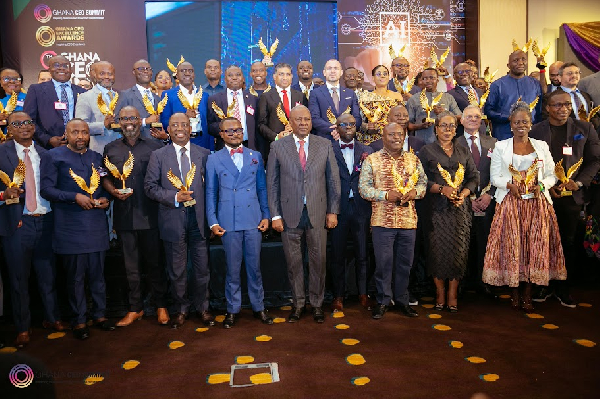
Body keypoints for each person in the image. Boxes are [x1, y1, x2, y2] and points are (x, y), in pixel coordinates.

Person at [483, 102, 566, 311]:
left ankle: (528, 293)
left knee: (533, 247)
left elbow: (551, 175)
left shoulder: (541, 146)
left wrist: (542, 185)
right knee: (513, 246)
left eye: (525, 121)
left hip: (537, 204)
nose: (521, 125)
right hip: (511, 203)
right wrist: (509, 185)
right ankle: (514, 292)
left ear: (531, 124)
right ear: (510, 125)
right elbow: (495, 178)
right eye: (516, 122)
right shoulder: (501, 146)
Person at [40, 118, 114, 340]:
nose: (80, 136)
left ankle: (100, 315)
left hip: (96, 224)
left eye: (84, 132)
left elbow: (105, 183)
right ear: (66, 134)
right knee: (76, 278)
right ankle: (79, 320)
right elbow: (46, 190)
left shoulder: (96, 158)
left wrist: (106, 198)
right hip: (70, 225)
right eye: (75, 132)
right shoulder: (53, 156)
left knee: (98, 275)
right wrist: (74, 197)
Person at [266, 105, 340, 323]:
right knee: (294, 263)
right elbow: (272, 184)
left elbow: (333, 182)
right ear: (290, 121)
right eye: (299, 120)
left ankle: (317, 304)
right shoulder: (278, 147)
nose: (304, 123)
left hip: (318, 213)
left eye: (307, 119)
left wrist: (333, 211)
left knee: (319, 262)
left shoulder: (324, 145)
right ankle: (298, 304)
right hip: (289, 215)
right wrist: (275, 215)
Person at [0, 111, 67, 347]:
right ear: (9, 129)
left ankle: (52, 317)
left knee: (48, 275)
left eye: (28, 122)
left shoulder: (46, 154)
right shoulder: (2, 153)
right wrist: (3, 195)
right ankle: (22, 327)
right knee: (19, 279)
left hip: (46, 220)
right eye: (17, 124)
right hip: (18, 224)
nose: (24, 127)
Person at [529, 90, 600, 307]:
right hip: (544, 195)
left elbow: (595, 161)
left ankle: (563, 286)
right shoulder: (536, 130)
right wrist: (546, 185)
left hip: (571, 196)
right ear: (548, 108)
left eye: (567, 105)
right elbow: (528, 162)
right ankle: (544, 284)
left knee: (568, 242)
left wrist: (577, 183)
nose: (563, 109)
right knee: (542, 240)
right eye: (558, 105)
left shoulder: (585, 129)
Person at [144, 113, 214, 329]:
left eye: (184, 124)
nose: (180, 128)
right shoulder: (158, 155)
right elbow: (150, 187)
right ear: (169, 128)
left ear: (191, 128)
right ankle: (181, 309)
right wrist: (174, 197)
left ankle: (203, 308)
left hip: (199, 220)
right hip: (172, 218)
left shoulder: (205, 154)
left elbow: (212, 189)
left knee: (202, 268)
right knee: (177, 269)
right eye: (175, 125)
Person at [102, 106, 169, 327]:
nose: (128, 122)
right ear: (118, 123)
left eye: (132, 118)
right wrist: (112, 192)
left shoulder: (155, 146)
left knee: (155, 263)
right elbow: (104, 178)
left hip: (150, 214)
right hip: (124, 216)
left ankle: (160, 305)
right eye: (124, 119)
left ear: (140, 121)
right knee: (130, 267)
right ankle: (135, 308)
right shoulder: (110, 148)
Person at [206, 117, 272, 328]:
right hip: (228, 221)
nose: (234, 134)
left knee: (255, 268)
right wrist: (212, 221)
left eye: (238, 130)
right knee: (232, 270)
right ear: (221, 135)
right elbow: (210, 192)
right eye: (229, 131)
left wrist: (266, 215)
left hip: (253, 220)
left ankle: (259, 307)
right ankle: (232, 309)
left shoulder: (256, 156)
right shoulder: (214, 159)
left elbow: (262, 189)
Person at [359, 122, 427, 319]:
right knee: (383, 264)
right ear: (383, 136)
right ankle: (382, 301)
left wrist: (416, 192)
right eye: (392, 134)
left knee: (405, 264)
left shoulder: (413, 159)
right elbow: (364, 189)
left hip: (408, 221)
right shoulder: (372, 160)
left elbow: (423, 183)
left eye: (400, 134)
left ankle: (402, 300)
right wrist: (385, 195)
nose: (397, 137)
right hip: (382, 222)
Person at [418, 112, 479, 312]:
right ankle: (440, 292)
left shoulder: (463, 151)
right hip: (436, 210)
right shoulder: (427, 151)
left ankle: (453, 293)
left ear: (456, 129)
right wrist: (441, 189)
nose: (447, 130)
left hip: (460, 209)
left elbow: (473, 177)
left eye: (451, 126)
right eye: (443, 126)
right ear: (436, 129)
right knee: (436, 252)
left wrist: (465, 193)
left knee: (458, 252)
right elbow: (421, 180)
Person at [329, 113, 373, 312]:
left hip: (361, 208)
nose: (348, 127)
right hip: (337, 209)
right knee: (338, 254)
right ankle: (338, 295)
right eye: (343, 124)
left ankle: (363, 293)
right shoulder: (328, 149)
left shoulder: (367, 150)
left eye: (352, 124)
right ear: (336, 128)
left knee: (362, 253)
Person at [456, 105, 497, 295]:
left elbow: (501, 172)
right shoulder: (453, 143)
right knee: (463, 242)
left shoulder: (494, 143)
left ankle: (484, 280)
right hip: (463, 201)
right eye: (469, 116)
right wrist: (470, 196)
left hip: (488, 200)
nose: (473, 119)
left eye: (477, 116)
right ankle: (462, 282)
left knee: (485, 241)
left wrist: (490, 194)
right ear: (461, 120)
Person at [23, 55, 86, 148]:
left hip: (78, 145)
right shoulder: (36, 90)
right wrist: (47, 139)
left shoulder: (82, 92)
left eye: (65, 66)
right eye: (56, 65)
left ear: (71, 70)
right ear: (49, 70)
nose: (61, 68)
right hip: (48, 147)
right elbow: (29, 120)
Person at [484, 49, 542, 140]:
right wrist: (508, 117)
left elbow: (539, 110)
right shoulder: (497, 85)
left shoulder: (535, 84)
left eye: (523, 59)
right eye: (516, 60)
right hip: (504, 134)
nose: (521, 63)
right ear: (508, 65)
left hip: (531, 134)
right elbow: (488, 111)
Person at [257, 63, 307, 161]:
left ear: (292, 77)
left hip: (298, 145)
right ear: (274, 77)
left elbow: (308, 120)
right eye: (281, 74)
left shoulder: (300, 96)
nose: (285, 77)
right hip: (276, 146)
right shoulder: (266, 96)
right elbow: (261, 125)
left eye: (288, 74)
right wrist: (276, 137)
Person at [160, 61, 212, 151]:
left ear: (194, 75)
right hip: (179, 141)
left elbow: (209, 122)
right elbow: (165, 122)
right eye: (183, 71)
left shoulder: (204, 95)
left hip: (202, 141)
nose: (187, 73)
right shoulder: (168, 95)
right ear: (177, 76)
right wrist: (184, 116)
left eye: (190, 71)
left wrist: (211, 147)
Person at [115, 60, 169, 143]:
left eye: (148, 69)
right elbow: (116, 123)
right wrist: (144, 121)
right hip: (136, 146)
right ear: (134, 72)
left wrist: (164, 136)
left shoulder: (157, 98)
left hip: (158, 146)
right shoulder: (126, 95)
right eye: (141, 69)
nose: (145, 71)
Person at [207, 65, 258, 151]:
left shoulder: (253, 99)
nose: (234, 78)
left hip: (248, 146)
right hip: (224, 147)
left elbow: (258, 125)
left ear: (243, 78)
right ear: (225, 79)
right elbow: (210, 126)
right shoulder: (215, 99)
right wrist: (225, 128)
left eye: (238, 75)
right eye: (230, 75)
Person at [74, 61, 121, 154]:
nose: (107, 77)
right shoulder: (85, 97)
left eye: (110, 74)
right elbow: (80, 127)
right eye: (102, 73)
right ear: (95, 75)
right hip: (100, 151)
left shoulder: (121, 96)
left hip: (122, 150)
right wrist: (103, 125)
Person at [308, 59, 362, 139]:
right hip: (325, 140)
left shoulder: (350, 93)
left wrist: (344, 130)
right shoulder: (315, 93)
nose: (332, 71)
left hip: (347, 140)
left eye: (336, 68)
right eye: (329, 68)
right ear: (324, 72)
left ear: (341, 72)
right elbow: (314, 118)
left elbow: (357, 118)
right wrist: (335, 130)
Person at [407, 68, 461, 144]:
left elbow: (460, 117)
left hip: (445, 143)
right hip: (422, 142)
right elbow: (408, 125)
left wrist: (445, 113)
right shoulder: (413, 99)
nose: (428, 81)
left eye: (432, 78)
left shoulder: (448, 97)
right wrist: (420, 126)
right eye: (424, 78)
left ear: (437, 80)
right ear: (421, 80)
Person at [356, 65, 403, 145]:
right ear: (373, 78)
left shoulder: (397, 96)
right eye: (378, 74)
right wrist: (367, 126)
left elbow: (402, 118)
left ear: (389, 77)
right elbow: (359, 120)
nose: (382, 76)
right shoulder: (365, 96)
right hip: (371, 138)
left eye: (385, 74)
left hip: (393, 137)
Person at [447, 63, 486, 136]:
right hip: (462, 135)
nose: (464, 74)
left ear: (472, 74)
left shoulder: (480, 92)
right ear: (454, 76)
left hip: (481, 133)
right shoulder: (450, 94)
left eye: (468, 71)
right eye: (460, 72)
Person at [557, 63, 599, 128]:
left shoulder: (586, 95)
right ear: (559, 78)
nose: (574, 76)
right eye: (570, 73)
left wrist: (593, 125)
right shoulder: (553, 97)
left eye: (577, 73)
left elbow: (594, 114)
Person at [0, 68, 26, 134]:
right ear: (0, 82)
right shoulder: (1, 100)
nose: (11, 81)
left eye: (16, 79)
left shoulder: (29, 98)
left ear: (21, 82)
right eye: (6, 79)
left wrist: (7, 121)